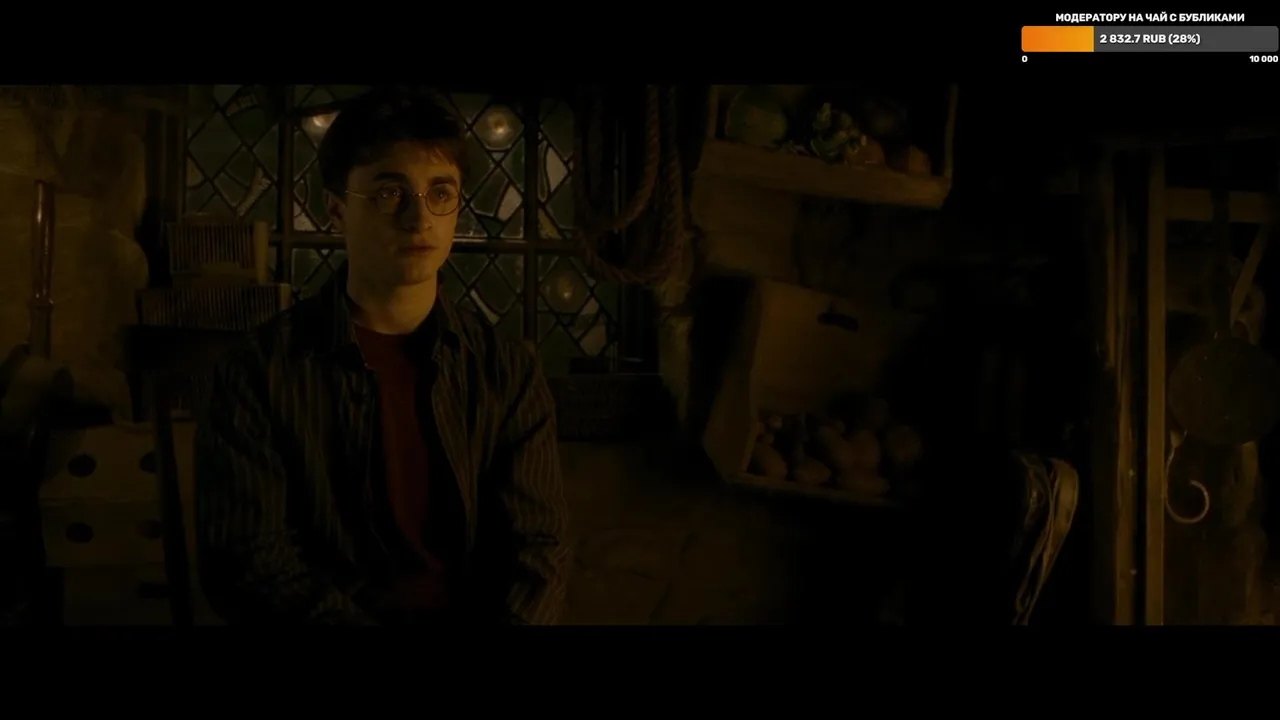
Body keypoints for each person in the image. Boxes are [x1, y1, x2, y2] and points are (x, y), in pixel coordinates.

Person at [193, 88, 570, 625]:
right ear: (335, 209)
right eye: (391, 193)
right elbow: (249, 560)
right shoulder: (260, 371)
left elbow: (537, 548)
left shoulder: (505, 371)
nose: (420, 219)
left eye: (441, 192)